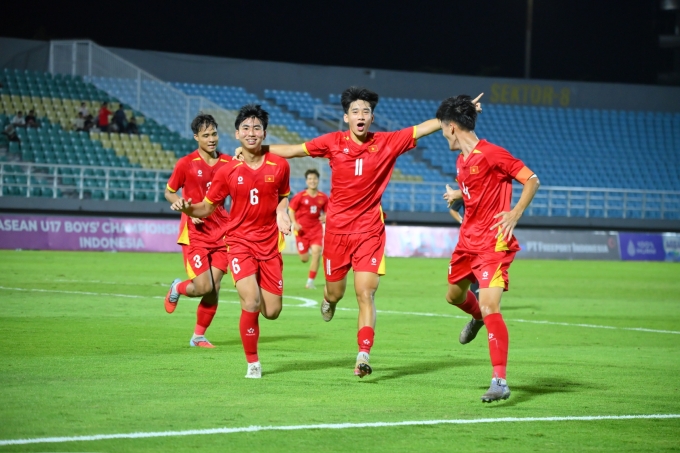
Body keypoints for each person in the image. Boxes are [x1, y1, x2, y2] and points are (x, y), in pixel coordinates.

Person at [238, 86, 482, 378]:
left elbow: (425, 127)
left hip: (369, 232)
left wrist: (460, 109)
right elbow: (293, 150)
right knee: (336, 292)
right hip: (338, 233)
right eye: (355, 111)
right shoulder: (332, 142)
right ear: (346, 117)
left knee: (366, 293)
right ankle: (329, 300)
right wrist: (256, 149)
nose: (361, 115)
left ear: (372, 117)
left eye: (366, 111)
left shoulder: (388, 142)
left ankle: (363, 354)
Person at [172, 104, 291, 379]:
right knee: (250, 301)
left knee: (272, 311)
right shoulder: (227, 172)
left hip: (269, 245)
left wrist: (282, 211)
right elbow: (206, 207)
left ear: (264, 133)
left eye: (257, 128)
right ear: (237, 134)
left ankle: (255, 307)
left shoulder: (280, 165)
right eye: (246, 128)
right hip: (239, 243)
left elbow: (283, 194)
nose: (252, 133)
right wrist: (188, 208)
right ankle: (253, 363)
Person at [438, 95, 540, 403]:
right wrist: (459, 193)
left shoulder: (494, 154)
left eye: (444, 128)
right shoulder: (461, 162)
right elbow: (476, 190)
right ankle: (478, 319)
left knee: (490, 305)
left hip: (493, 244)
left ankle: (500, 380)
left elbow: (531, 179)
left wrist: (516, 212)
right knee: (453, 295)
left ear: (452, 128)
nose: (443, 134)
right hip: (467, 242)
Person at [163, 113, 232, 348]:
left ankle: (198, 336)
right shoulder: (186, 164)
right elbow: (170, 191)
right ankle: (178, 287)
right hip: (195, 231)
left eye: (214, 134)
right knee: (203, 287)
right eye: (206, 135)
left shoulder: (229, 163)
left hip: (222, 231)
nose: (211, 139)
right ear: (196, 137)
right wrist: (179, 202)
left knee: (215, 288)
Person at [289, 168, 328, 289]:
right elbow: (291, 210)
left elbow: (328, 212)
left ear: (318, 180)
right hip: (301, 231)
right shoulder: (300, 196)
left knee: (317, 252)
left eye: (315, 179)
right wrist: (294, 222)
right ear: (306, 181)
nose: (313, 181)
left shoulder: (323, 197)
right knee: (304, 259)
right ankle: (304, 253)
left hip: (316, 229)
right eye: (310, 179)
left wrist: (326, 216)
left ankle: (310, 282)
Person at [448, 194, 479, 295]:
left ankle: (483, 297)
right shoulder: (466, 191)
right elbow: (453, 210)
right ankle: (476, 296)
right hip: (471, 234)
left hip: (489, 232)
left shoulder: (492, 190)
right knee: (473, 262)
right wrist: (463, 221)